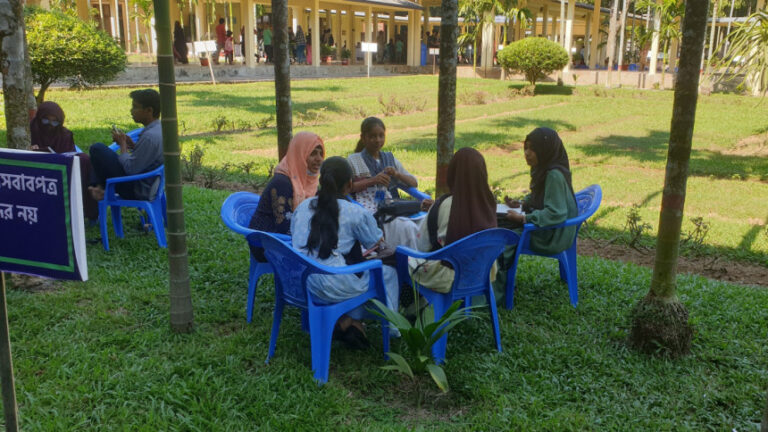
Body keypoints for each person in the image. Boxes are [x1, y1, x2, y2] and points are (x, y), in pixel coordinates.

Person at [291, 156, 400, 348]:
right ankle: (390, 327)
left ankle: (346, 320)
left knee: (353, 271)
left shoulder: (302, 208)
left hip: (299, 282)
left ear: (321, 181)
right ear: (350, 184)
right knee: (386, 273)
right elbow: (377, 243)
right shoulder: (355, 212)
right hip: (332, 284)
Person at [493, 127, 579, 296]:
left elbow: (555, 213)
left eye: (533, 149)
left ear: (545, 150)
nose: (527, 153)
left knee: (502, 237)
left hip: (551, 236)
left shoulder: (553, 175)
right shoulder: (545, 169)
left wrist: (523, 219)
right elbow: (541, 197)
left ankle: (498, 289)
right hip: (550, 229)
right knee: (500, 223)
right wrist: (522, 204)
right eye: (526, 148)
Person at [409, 148, 497, 293]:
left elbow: (422, 246)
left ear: (453, 173)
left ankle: (411, 308)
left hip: (451, 277)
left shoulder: (443, 204)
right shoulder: (489, 202)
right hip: (483, 273)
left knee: (403, 257)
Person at [248, 132, 325, 261]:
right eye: (313, 153)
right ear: (300, 154)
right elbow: (283, 227)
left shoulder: (309, 181)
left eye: (321, 154)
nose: (319, 159)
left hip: (290, 238)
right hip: (267, 243)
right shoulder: (282, 182)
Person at [347, 117, 420, 249]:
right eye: (373, 136)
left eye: (381, 136)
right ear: (363, 138)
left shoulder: (390, 159)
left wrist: (397, 174)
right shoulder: (354, 160)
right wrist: (372, 180)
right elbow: (347, 188)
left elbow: (413, 183)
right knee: (408, 227)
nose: (378, 140)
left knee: (421, 220)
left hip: (390, 204)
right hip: (368, 209)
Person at [87, 89, 164, 203]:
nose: (131, 111)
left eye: (135, 107)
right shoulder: (159, 129)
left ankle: (98, 188)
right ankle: (99, 187)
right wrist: (132, 145)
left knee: (97, 149)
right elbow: (147, 157)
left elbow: (130, 169)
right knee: (102, 155)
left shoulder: (150, 137)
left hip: (137, 189)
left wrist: (123, 145)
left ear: (149, 110)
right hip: (149, 184)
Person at [30, 101, 98, 222]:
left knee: (84, 160)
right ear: (40, 118)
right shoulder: (31, 129)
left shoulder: (64, 134)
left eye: (54, 122)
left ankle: (86, 210)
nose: (50, 125)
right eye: (45, 120)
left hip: (61, 171)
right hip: (37, 172)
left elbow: (68, 153)